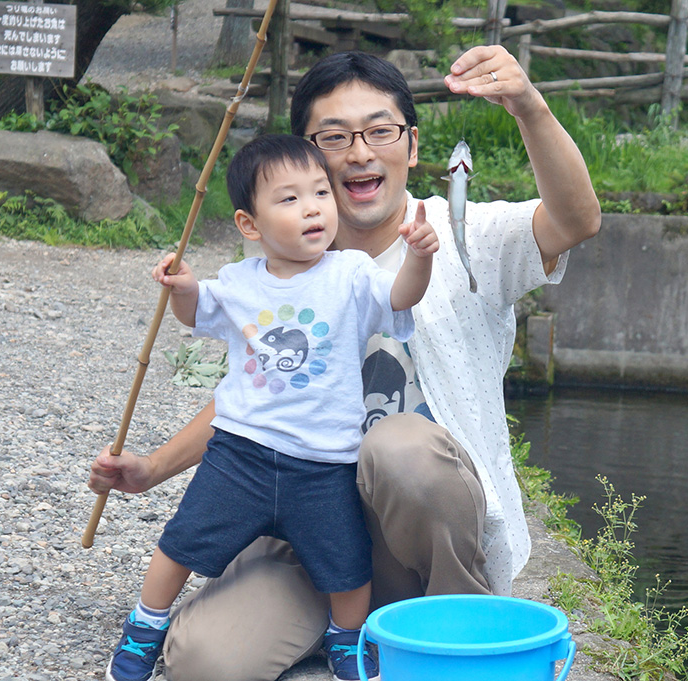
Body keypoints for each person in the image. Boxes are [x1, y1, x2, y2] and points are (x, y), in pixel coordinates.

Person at [89, 46, 600, 681]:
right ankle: (353, 630)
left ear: (412, 147)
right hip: (306, 528)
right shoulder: (279, 268)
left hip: (417, 524)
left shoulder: (465, 234)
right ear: (305, 158)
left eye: (380, 131)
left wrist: (528, 104)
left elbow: (578, 219)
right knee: (205, 664)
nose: (359, 153)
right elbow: (255, 396)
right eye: (333, 137)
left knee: (401, 447)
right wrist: (152, 467)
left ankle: (457, 624)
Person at [102, 134, 439, 681]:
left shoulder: (350, 274)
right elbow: (196, 315)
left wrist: (419, 258)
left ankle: (346, 640)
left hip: (325, 462)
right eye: (288, 199)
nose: (312, 208)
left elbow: (401, 296)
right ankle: (146, 625)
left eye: (319, 194)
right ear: (249, 225)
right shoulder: (238, 281)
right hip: (240, 453)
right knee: (183, 541)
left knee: (347, 563)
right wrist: (183, 286)